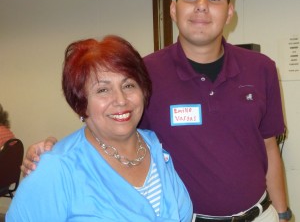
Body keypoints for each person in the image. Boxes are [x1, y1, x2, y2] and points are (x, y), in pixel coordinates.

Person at [21, 0, 292, 222]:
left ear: (229, 12)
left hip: (261, 214)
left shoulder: (261, 68)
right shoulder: (144, 74)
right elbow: (109, 125)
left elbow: (269, 149)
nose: (201, 7)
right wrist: (50, 154)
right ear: (173, 9)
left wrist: (283, 213)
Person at [6, 36, 193, 222]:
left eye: (128, 85)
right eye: (103, 90)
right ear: (81, 103)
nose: (121, 100)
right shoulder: (56, 169)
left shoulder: (156, 148)